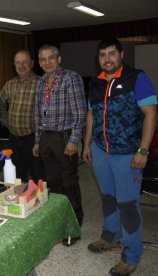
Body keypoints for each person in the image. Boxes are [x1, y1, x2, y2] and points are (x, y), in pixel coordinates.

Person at [82, 38, 157, 276]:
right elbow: (91, 116)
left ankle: (131, 255)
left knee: (127, 205)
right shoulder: (95, 83)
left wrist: (143, 150)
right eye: (102, 55)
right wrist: (87, 145)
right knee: (107, 197)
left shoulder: (137, 78)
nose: (107, 59)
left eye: (111, 53)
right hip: (100, 151)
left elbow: (151, 115)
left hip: (128, 155)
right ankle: (110, 236)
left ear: (121, 54)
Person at [32, 44, 86, 245]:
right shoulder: (41, 82)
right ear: (39, 62)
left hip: (64, 138)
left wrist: (74, 140)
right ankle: (59, 223)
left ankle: (73, 227)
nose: (47, 62)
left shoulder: (71, 78)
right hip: (46, 138)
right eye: (43, 59)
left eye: (51, 58)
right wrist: (37, 141)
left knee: (69, 183)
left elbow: (80, 112)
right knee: (53, 184)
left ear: (59, 59)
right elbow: (37, 114)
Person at [0, 50, 44, 182]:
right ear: (14, 65)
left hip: (33, 139)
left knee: (38, 175)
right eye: (18, 62)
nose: (21, 65)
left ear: (31, 64)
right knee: (17, 175)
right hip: (14, 139)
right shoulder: (9, 84)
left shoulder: (40, 83)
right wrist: (5, 120)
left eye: (25, 62)